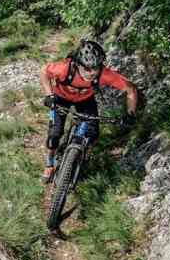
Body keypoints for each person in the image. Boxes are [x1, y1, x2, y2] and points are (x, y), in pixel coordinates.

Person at [40, 39, 138, 182]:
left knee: (93, 134)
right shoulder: (64, 69)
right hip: (60, 98)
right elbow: (44, 71)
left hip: (85, 101)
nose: (92, 73)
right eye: (87, 68)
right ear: (78, 64)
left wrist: (130, 114)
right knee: (54, 134)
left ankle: (82, 155)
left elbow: (130, 89)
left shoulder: (104, 74)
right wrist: (49, 95)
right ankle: (49, 164)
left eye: (95, 68)